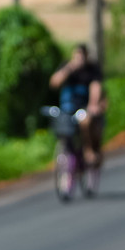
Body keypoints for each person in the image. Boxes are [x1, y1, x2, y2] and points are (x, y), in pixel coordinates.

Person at [49, 44, 106, 172]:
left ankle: (88, 150)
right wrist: (69, 68)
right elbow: (54, 82)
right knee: (61, 125)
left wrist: (93, 104)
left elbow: (95, 87)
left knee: (84, 120)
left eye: (81, 55)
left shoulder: (92, 69)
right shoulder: (67, 66)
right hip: (68, 107)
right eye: (77, 55)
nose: (79, 58)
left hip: (84, 106)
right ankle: (67, 152)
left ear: (86, 56)